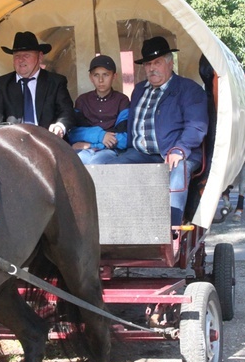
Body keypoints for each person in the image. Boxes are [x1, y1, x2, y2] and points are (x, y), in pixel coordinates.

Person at [104, 36, 208, 228]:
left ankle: (170, 232)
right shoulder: (139, 90)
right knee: (109, 170)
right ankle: (116, 228)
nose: (152, 68)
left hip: (176, 152)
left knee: (178, 172)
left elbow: (197, 126)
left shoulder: (188, 90)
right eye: (148, 64)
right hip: (140, 154)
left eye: (157, 62)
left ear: (170, 63)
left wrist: (180, 149)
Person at [0, 31, 75, 137]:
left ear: (40, 57)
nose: (21, 60)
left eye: (26, 55)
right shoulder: (3, 84)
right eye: (17, 56)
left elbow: (67, 111)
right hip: (15, 142)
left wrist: (60, 126)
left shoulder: (56, 82)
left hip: (48, 140)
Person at [70, 55, 130, 164]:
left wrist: (92, 144)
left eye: (106, 75)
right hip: (84, 151)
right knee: (76, 164)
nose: (101, 80)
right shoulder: (82, 101)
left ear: (114, 76)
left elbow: (125, 139)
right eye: (96, 75)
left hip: (110, 151)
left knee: (97, 163)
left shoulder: (122, 101)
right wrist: (101, 135)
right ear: (90, 77)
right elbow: (73, 133)